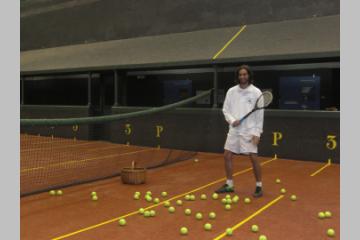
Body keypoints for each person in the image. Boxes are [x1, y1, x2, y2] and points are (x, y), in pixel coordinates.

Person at [215, 65, 264, 198]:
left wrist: (257, 133)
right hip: (234, 130)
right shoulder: (231, 91)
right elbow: (225, 109)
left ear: (249, 76)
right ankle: (229, 184)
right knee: (227, 155)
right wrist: (232, 120)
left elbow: (260, 114)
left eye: (245, 74)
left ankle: (259, 186)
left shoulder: (256, 92)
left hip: (250, 131)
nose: (242, 77)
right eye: (240, 75)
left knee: (253, 158)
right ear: (238, 76)